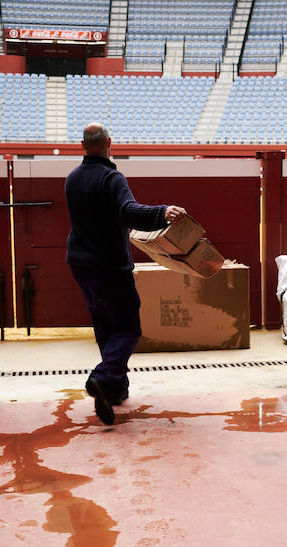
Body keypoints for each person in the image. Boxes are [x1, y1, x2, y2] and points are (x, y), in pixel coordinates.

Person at [65, 122, 187, 425]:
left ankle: (116, 389)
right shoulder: (112, 177)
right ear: (109, 142)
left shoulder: (72, 179)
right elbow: (127, 212)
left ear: (83, 145)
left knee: (104, 324)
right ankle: (103, 378)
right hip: (110, 266)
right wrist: (163, 212)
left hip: (80, 265)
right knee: (128, 328)